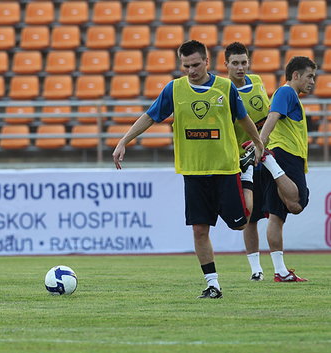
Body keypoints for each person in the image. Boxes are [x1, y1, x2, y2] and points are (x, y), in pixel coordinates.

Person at [112, 40, 264, 299]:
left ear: (207, 62)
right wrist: (124, 140)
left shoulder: (224, 88)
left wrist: (258, 142)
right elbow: (150, 116)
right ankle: (212, 284)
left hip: (226, 168)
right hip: (193, 171)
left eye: (195, 65)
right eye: (186, 66)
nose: (191, 70)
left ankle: (247, 174)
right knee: (199, 229)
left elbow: (243, 118)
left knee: (240, 224)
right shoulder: (174, 89)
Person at [255, 56, 317, 282]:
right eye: (309, 76)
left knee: (276, 216)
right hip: (285, 154)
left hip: (279, 154)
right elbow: (272, 117)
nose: (313, 81)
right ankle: (268, 161)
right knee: (298, 203)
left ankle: (280, 271)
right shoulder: (286, 92)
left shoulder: (288, 95)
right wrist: (260, 145)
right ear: (296, 75)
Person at [224, 42, 271, 281]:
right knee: (251, 217)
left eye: (244, 62)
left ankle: (280, 266)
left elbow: (268, 116)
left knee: (278, 209)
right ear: (226, 65)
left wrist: (263, 142)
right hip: (243, 160)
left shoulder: (258, 81)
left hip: (267, 151)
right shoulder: (223, 91)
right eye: (235, 63)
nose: (240, 67)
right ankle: (256, 269)